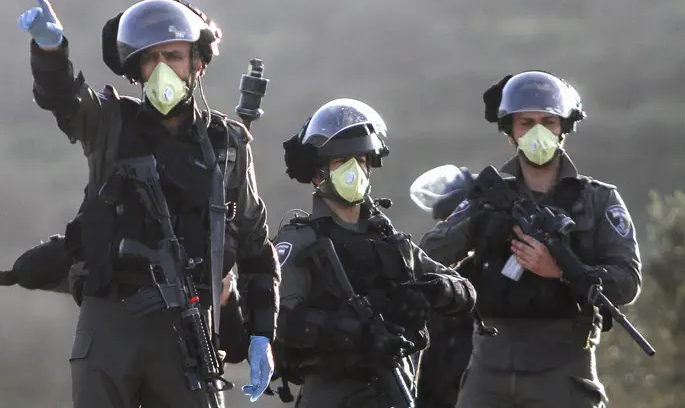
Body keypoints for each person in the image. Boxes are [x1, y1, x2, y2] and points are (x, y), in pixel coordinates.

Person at [16, 0, 280, 407]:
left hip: (189, 327)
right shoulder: (111, 123)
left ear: (197, 61)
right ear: (136, 69)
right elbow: (65, 99)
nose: (162, 70)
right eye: (149, 59)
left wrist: (262, 334)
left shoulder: (227, 144)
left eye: (172, 56)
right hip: (110, 321)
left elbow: (254, 247)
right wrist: (51, 52)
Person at [420, 71, 642, 408]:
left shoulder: (598, 200)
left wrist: (564, 270)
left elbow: (627, 283)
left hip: (565, 369)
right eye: (526, 122)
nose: (538, 132)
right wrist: (475, 228)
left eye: (548, 121)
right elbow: (426, 258)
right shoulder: (486, 196)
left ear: (563, 127)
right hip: (488, 370)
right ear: (510, 131)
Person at [272, 98, 476, 407]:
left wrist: (438, 290)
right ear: (318, 173)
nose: (354, 170)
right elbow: (283, 320)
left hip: (397, 385)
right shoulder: (300, 241)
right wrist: (356, 334)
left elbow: (464, 291)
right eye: (341, 162)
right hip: (332, 393)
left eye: (361, 159)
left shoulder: (390, 241)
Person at [0, 235, 250, 364]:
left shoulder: (211, 256)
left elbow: (236, 349)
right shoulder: (108, 242)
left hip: (180, 367)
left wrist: (225, 298)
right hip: (124, 360)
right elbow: (31, 269)